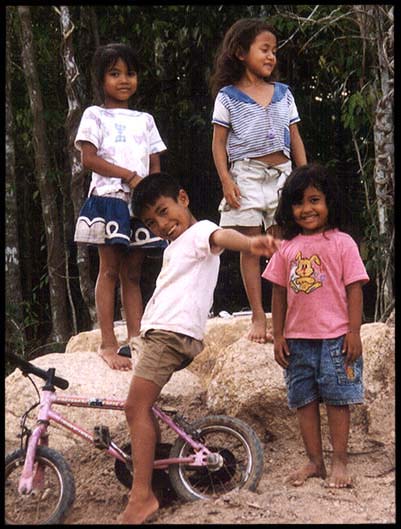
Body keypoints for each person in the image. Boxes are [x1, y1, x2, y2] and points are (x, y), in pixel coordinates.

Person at [119, 172, 280, 524]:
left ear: (183, 198)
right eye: (151, 222)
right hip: (158, 334)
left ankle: (142, 496)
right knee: (144, 410)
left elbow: (222, 235)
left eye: (164, 211)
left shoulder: (199, 232)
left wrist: (251, 245)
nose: (162, 224)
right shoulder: (174, 246)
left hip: (171, 335)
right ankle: (156, 481)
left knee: (135, 408)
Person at [262, 163, 369, 488]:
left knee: (338, 400)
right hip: (297, 343)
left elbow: (354, 288)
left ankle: (339, 461)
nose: (306, 209)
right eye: (298, 202)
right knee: (303, 400)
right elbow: (278, 295)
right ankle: (315, 462)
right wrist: (278, 334)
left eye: (314, 200)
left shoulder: (342, 243)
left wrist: (354, 332)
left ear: (328, 202)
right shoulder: (286, 248)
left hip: (336, 340)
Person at [210, 18, 307, 344]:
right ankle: (256, 314)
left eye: (274, 51)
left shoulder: (283, 94)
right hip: (246, 175)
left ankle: (289, 312)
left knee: (284, 243)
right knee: (250, 245)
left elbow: (295, 138)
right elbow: (218, 144)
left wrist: (304, 178)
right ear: (240, 52)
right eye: (264, 50)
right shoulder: (228, 97)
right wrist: (226, 180)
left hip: (282, 174)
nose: (271, 57)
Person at [74, 43, 167, 371]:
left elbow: (155, 163)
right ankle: (108, 343)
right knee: (109, 270)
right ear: (101, 80)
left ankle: (135, 339)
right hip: (110, 199)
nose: (124, 80)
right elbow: (88, 158)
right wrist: (128, 175)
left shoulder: (145, 119)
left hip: (139, 205)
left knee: (133, 274)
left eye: (130, 73)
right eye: (115, 73)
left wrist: (153, 198)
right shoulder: (94, 115)